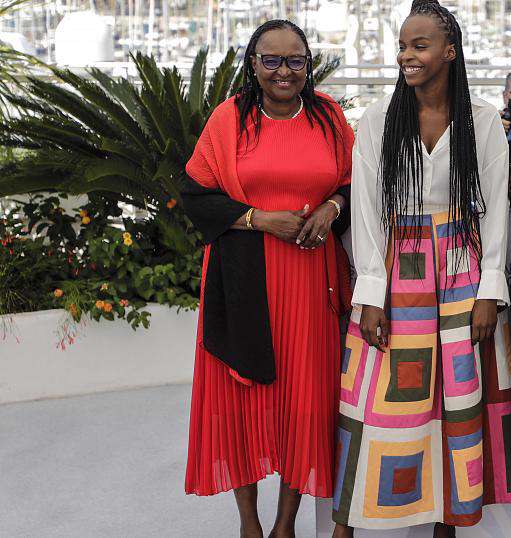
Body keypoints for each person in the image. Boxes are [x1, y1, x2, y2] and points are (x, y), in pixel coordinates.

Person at [331, 1, 511, 536]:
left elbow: (496, 209)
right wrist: (371, 293)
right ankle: (349, 520)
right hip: (399, 267)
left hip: (464, 268)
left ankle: (448, 520)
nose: (406, 56)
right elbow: (367, 210)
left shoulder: (482, 120)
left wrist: (491, 290)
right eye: (403, 46)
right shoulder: (378, 119)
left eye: (419, 45)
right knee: (379, 397)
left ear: (449, 51)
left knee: (460, 399)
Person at [182, 19, 355, 538]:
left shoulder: (328, 116)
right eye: (271, 60)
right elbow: (196, 196)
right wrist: (259, 219)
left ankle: (285, 525)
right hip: (243, 281)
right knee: (241, 401)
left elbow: (356, 182)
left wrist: (332, 206)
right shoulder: (229, 118)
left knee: (305, 401)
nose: (284, 71)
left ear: (308, 64)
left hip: (310, 283)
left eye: (295, 60)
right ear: (253, 64)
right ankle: (249, 525)